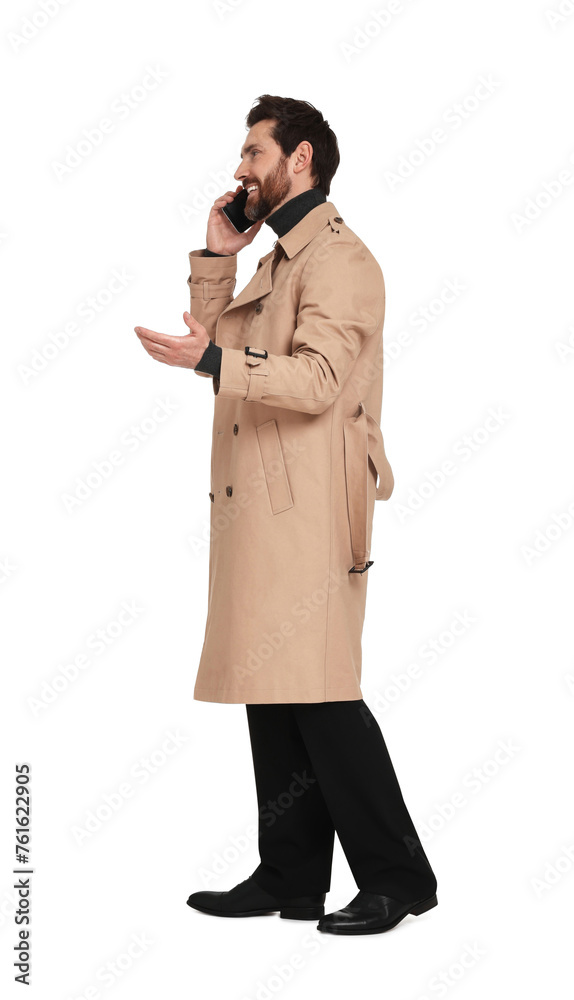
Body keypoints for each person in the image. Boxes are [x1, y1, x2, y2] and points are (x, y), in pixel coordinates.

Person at [134, 94, 438, 935]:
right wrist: (215, 253)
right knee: (275, 690)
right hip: (265, 504)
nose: (239, 169)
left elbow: (311, 382)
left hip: (308, 504)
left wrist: (212, 356)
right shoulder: (274, 263)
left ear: (299, 158)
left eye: (252, 153)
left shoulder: (340, 262)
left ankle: (399, 876)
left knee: (323, 693)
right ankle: (292, 875)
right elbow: (215, 338)